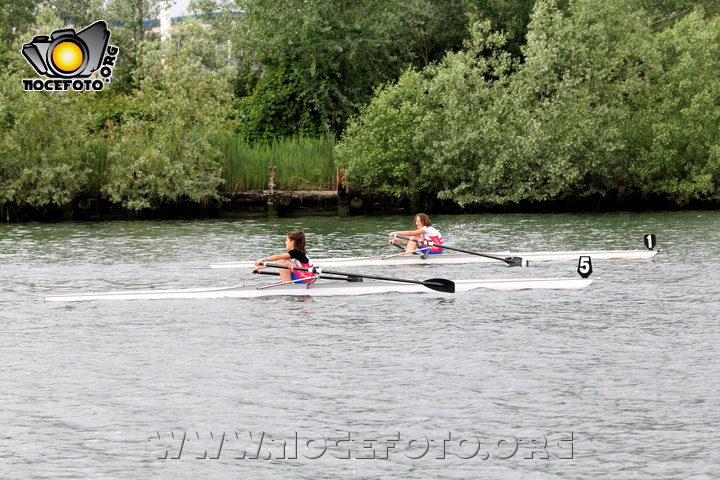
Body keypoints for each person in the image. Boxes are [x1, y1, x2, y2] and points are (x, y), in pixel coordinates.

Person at [251, 230, 315, 283]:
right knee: (282, 261)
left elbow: (278, 256)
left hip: (307, 278)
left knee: (284, 261)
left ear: (292, 242)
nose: (285, 242)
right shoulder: (297, 252)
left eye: (287, 240)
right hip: (306, 277)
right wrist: (259, 268)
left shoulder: (296, 252)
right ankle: (286, 284)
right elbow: (277, 262)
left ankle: (287, 285)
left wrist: (263, 259)